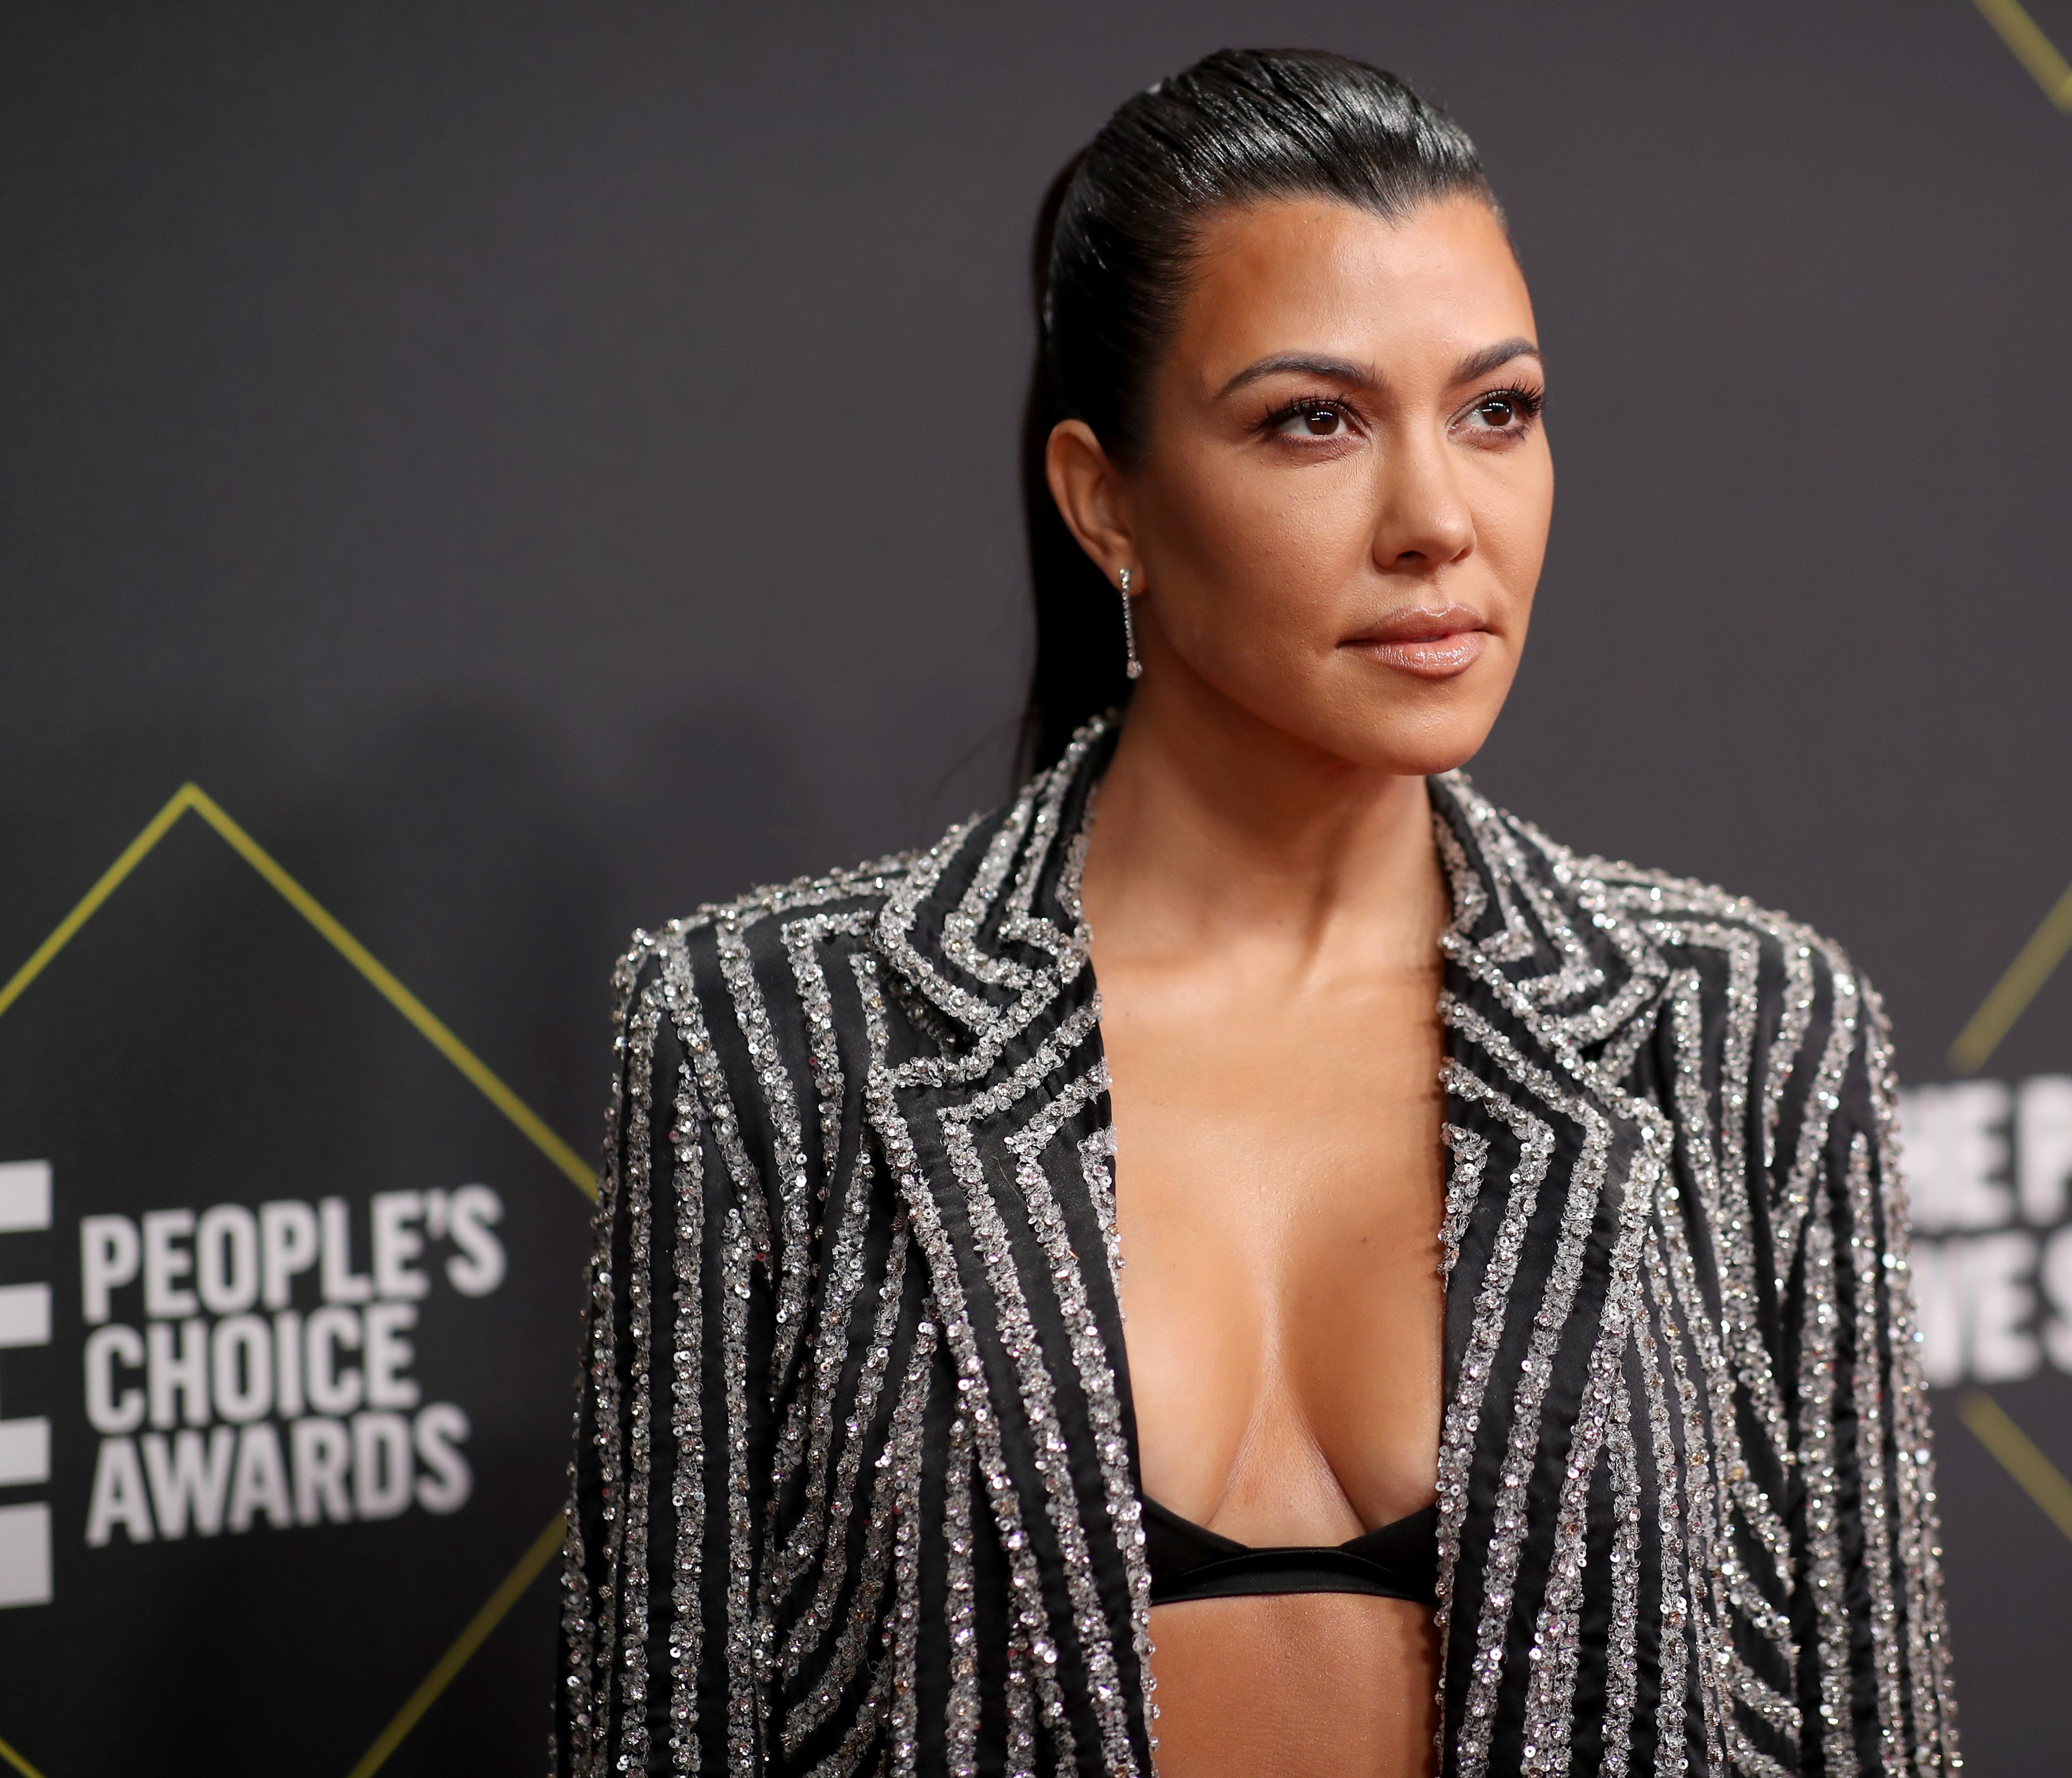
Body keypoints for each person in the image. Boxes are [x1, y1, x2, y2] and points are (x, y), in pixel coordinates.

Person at [558, 47, 1959, 1778]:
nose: (1440, 519)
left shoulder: (1748, 1030)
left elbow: (1872, 1741)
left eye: (1498, 410)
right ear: (1106, 500)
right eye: (1316, 419)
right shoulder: (760, 1038)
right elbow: (662, 1731)